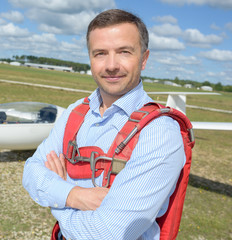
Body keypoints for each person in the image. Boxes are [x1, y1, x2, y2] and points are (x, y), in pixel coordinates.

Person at [23, 9, 186, 240]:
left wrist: (56, 198)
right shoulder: (76, 112)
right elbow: (31, 171)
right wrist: (75, 195)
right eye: (100, 53)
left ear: (144, 58)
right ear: (90, 58)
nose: (111, 65)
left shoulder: (159, 133)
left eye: (124, 52)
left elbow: (107, 233)